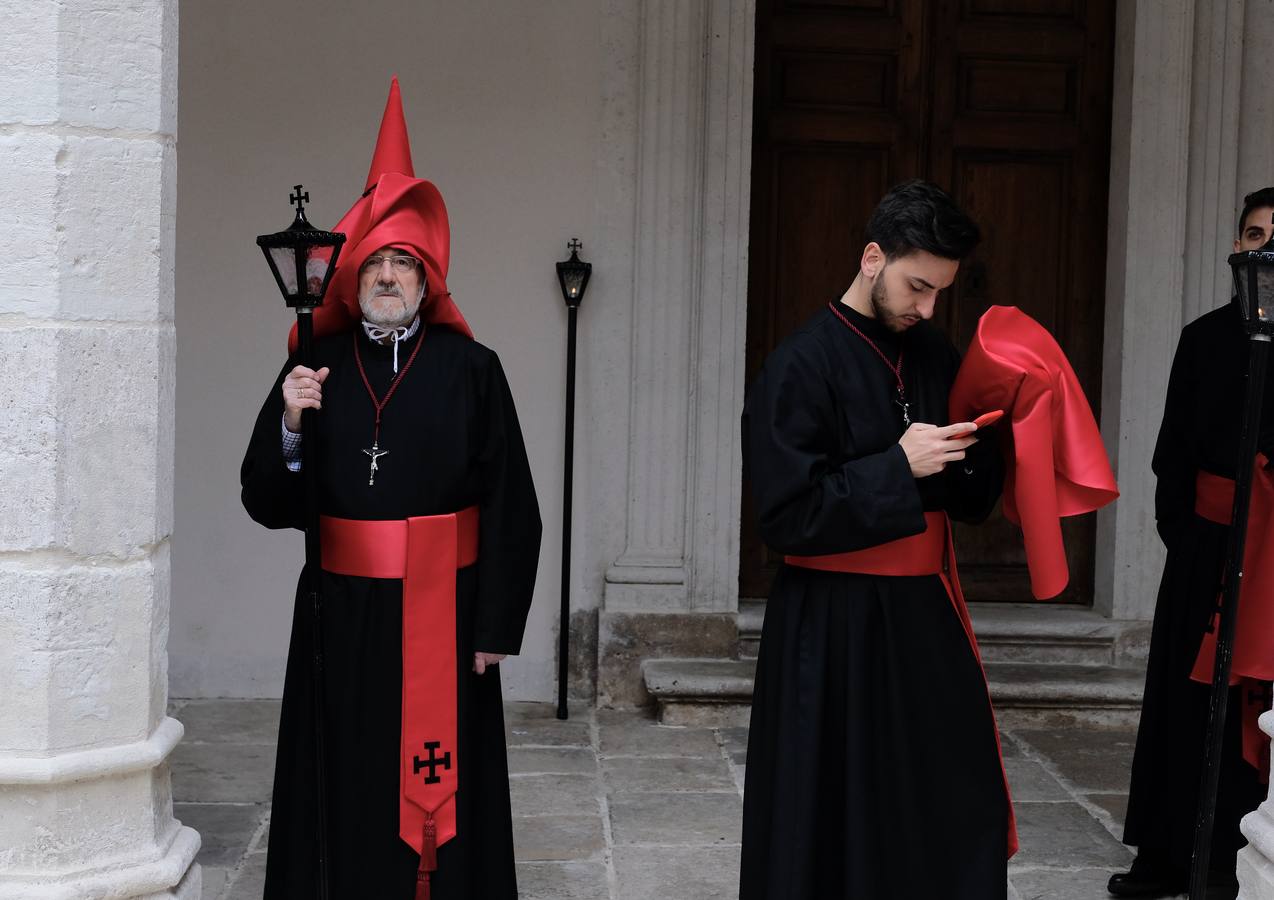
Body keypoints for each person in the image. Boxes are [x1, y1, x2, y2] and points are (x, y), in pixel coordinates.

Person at [240, 79, 541, 899]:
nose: (388, 276)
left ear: (428, 280)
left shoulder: (474, 372)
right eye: (375, 261)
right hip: (340, 614)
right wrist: (291, 426)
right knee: (344, 778)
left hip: (445, 611)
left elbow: (515, 504)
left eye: (404, 263)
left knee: (439, 800)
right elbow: (265, 500)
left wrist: (496, 626)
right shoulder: (316, 365)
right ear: (352, 277)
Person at [739, 180, 1012, 899]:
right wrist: (896, 467)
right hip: (830, 629)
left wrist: (998, 422)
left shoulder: (933, 353)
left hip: (924, 621)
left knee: (948, 804)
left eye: (939, 293)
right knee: (833, 818)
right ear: (871, 258)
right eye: (917, 286)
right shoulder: (799, 365)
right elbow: (785, 517)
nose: (926, 309)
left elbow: (969, 498)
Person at [1110, 187, 1274, 900]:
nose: (1263, 246)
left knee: (1255, 701)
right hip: (1206, 548)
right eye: (1252, 232)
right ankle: (1168, 853)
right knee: (1181, 701)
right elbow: (1170, 455)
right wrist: (1189, 537)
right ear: (1235, 247)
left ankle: (1233, 857)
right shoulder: (1204, 336)